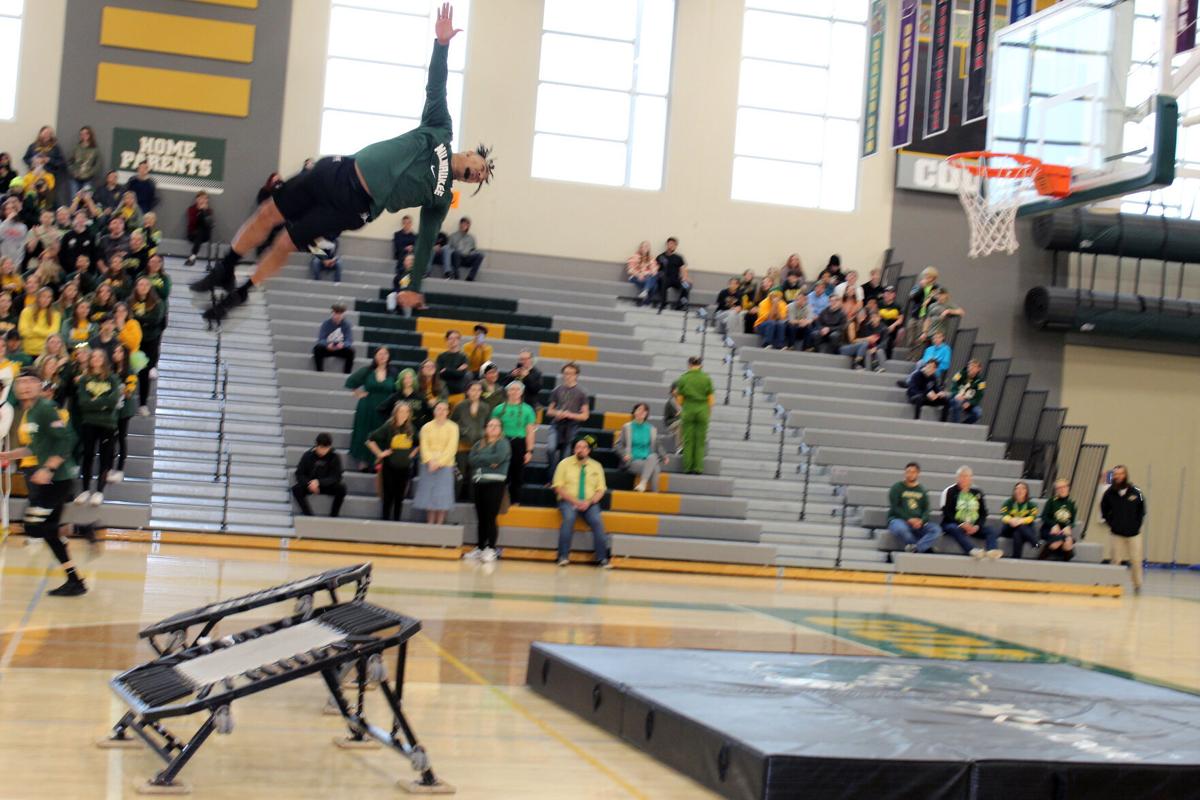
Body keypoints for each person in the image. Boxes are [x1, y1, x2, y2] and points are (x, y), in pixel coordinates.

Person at [191, 4, 493, 321]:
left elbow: (426, 241)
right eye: (482, 168)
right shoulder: (441, 129)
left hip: (354, 205)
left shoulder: (442, 197)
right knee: (268, 211)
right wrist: (441, 46)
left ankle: (242, 293)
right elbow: (437, 87)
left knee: (284, 242)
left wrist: (415, 285)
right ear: (471, 152)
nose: (477, 176)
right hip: (338, 170)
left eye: (479, 180)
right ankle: (225, 268)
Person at [0, 371, 87, 596]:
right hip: (52, 479)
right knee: (49, 533)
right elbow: (35, 448)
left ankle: (83, 529)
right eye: (21, 382)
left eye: (31, 382)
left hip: (57, 480)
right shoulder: (30, 412)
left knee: (32, 527)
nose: (25, 386)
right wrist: (9, 455)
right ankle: (75, 581)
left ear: (40, 386)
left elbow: (67, 440)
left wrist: (48, 468)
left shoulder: (45, 409)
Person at [552, 436, 610, 568]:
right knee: (569, 518)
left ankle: (602, 559)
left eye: (584, 447)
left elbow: (601, 490)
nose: (581, 450)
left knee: (597, 521)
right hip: (568, 501)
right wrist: (576, 501)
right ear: (574, 450)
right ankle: (563, 556)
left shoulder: (596, 466)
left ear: (588, 451)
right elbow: (558, 487)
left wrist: (588, 502)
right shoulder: (564, 464)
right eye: (578, 447)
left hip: (590, 503)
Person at [73, 348, 120, 506]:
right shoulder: (84, 379)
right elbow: (83, 403)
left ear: (105, 359)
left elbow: (113, 401)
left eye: (100, 356)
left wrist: (96, 403)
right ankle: (85, 490)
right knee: (87, 455)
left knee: (105, 458)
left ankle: (99, 491)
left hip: (107, 424)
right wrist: (102, 405)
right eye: (94, 356)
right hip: (89, 423)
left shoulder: (112, 379)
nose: (96, 359)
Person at [467, 417, 511, 562]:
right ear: (486, 428)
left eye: (496, 425)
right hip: (479, 482)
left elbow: (498, 458)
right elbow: (471, 460)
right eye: (490, 425)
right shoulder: (479, 444)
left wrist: (482, 458)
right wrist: (488, 460)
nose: (492, 428)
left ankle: (491, 549)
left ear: (500, 429)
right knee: (481, 518)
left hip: (495, 484)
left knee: (490, 517)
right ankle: (480, 548)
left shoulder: (503, 444)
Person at [1099, 465, 1147, 593]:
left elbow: (1142, 510)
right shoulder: (1108, 493)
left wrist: (1137, 524)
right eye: (1116, 474)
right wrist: (1112, 524)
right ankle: (1115, 584)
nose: (1118, 476)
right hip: (1117, 534)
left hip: (1134, 534)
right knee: (1116, 559)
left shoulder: (1137, 491)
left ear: (1125, 475)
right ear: (1113, 476)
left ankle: (1137, 585)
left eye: (1121, 474)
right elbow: (1104, 510)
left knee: (1136, 560)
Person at [345, 346, 395, 470]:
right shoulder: (367, 370)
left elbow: (399, 389)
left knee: (381, 434)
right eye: (380, 354)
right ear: (375, 356)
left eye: (385, 354)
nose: (382, 356)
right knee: (365, 433)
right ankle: (364, 462)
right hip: (367, 407)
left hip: (386, 409)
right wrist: (358, 393)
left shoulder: (394, 372)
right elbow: (351, 381)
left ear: (389, 357)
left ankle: (378, 462)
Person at [367, 402, 416, 522]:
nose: (403, 414)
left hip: (404, 468)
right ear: (396, 412)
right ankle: (385, 522)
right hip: (389, 466)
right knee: (388, 496)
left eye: (406, 412)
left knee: (400, 497)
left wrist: (412, 455)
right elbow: (370, 440)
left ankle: (396, 523)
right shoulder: (389, 426)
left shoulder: (411, 428)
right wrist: (380, 453)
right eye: (401, 411)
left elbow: (419, 443)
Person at [413, 400, 459, 525]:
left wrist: (439, 462)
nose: (441, 411)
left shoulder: (453, 427)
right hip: (428, 465)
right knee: (429, 495)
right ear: (434, 411)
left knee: (442, 496)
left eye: (444, 409)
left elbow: (451, 448)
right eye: (439, 408)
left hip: (446, 465)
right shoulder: (426, 427)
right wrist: (430, 461)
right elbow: (424, 446)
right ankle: (430, 523)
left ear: (448, 412)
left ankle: (439, 524)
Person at [939, 466, 1001, 558]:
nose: (965, 479)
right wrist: (962, 524)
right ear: (957, 478)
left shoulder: (977, 493)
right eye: (962, 476)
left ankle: (992, 551)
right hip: (954, 524)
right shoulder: (950, 491)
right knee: (954, 528)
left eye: (967, 476)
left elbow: (983, 513)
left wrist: (977, 526)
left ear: (971, 478)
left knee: (991, 530)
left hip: (973, 525)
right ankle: (972, 550)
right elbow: (947, 512)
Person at [491, 380, 535, 506]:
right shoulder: (498, 409)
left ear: (521, 392)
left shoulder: (528, 410)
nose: (514, 392)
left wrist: (529, 451)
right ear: (507, 391)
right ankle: (499, 500)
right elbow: (492, 429)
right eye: (512, 389)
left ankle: (515, 501)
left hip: (519, 443)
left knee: (517, 474)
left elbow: (530, 431)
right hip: (501, 442)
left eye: (517, 390)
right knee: (501, 472)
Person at [886, 462, 942, 553]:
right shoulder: (897, 488)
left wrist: (921, 521)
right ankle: (924, 549)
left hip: (918, 523)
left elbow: (926, 510)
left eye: (913, 472)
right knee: (902, 529)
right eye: (908, 471)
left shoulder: (922, 491)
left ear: (918, 473)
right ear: (905, 473)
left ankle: (916, 548)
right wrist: (909, 519)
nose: (910, 474)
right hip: (899, 520)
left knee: (936, 529)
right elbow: (895, 508)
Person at [614, 403, 667, 493]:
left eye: (644, 410)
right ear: (634, 412)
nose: (642, 412)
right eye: (639, 409)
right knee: (655, 468)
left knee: (653, 456)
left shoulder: (651, 429)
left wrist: (664, 456)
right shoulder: (627, 427)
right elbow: (618, 445)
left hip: (647, 459)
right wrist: (624, 455)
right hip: (633, 460)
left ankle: (643, 483)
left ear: (646, 414)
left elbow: (657, 444)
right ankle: (655, 495)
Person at [291, 432, 347, 517]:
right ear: (316, 445)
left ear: (330, 446)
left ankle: (333, 516)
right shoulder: (308, 455)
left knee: (341, 488)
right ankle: (309, 515)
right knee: (296, 489)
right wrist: (310, 483)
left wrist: (319, 482)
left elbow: (336, 477)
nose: (323, 451)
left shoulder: (334, 456)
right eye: (321, 447)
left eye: (326, 448)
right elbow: (299, 474)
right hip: (309, 485)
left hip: (326, 485)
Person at [674, 356, 713, 475]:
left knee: (688, 440)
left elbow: (680, 400)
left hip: (688, 410)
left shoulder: (683, 378)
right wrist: (708, 412)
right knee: (700, 440)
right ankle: (698, 468)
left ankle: (687, 467)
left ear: (689, 365)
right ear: (701, 365)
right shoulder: (706, 378)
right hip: (702, 411)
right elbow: (711, 400)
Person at [129, 277, 164, 413]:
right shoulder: (130, 301)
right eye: (140, 284)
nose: (143, 286)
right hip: (133, 341)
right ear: (136, 286)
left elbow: (155, 320)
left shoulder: (157, 303)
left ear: (150, 287)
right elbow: (128, 317)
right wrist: (143, 321)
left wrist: (138, 319)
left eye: (146, 284)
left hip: (149, 340)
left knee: (144, 372)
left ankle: (143, 404)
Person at [451, 380, 491, 498]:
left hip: (478, 447)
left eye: (478, 390)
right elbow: (452, 424)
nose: (475, 392)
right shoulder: (460, 406)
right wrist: (463, 431)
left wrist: (483, 434)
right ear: (468, 391)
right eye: (473, 389)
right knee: (459, 475)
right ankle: (453, 499)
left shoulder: (485, 407)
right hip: (462, 446)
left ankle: (472, 500)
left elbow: (489, 425)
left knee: (475, 474)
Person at [545, 362, 589, 467]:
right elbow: (549, 411)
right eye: (565, 373)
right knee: (550, 449)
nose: (567, 376)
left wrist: (570, 415)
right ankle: (551, 477)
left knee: (565, 456)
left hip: (572, 426)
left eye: (570, 373)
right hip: (556, 425)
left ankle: (559, 478)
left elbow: (585, 415)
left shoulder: (582, 393)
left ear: (576, 375)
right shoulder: (557, 390)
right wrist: (558, 413)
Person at [108, 344, 137, 482]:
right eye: (115, 351)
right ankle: (108, 468)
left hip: (124, 409)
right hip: (112, 409)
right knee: (110, 439)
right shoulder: (110, 370)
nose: (115, 353)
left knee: (121, 438)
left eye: (119, 351)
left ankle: (120, 469)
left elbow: (130, 392)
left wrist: (124, 390)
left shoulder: (129, 371)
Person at [1039, 478, 1078, 561]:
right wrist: (1053, 524)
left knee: (1068, 542)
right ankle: (1040, 560)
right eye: (1059, 488)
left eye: (1064, 487)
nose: (1062, 489)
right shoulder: (1051, 501)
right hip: (1049, 529)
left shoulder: (1071, 504)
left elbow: (1072, 521)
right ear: (1056, 490)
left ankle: (1064, 567)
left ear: (1068, 487)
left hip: (1063, 531)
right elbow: (1043, 517)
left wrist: (1068, 526)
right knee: (1059, 541)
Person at [1000, 481, 1040, 559]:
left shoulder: (1032, 505)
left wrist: (1020, 521)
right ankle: (1035, 543)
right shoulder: (1008, 502)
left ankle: (1016, 557)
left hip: (1025, 529)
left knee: (1017, 533)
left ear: (1026, 491)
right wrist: (1011, 520)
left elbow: (1032, 517)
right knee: (1018, 528)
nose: (1020, 491)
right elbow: (1004, 516)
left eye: (1023, 489)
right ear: (1014, 491)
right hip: (1009, 528)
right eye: (1017, 489)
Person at [19, 286, 62, 357]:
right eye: (43, 296)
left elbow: (53, 334)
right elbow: (23, 332)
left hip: (47, 353)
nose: (46, 300)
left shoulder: (56, 315)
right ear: (38, 297)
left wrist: (34, 329)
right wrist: (44, 333)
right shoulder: (26, 311)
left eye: (49, 297)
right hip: (28, 351)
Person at [312, 302, 354, 373]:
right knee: (317, 349)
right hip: (328, 348)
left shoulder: (347, 325)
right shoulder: (326, 324)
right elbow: (321, 339)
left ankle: (347, 373)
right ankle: (319, 371)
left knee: (351, 351)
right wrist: (327, 345)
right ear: (332, 313)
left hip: (340, 349)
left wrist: (343, 345)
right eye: (335, 314)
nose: (337, 316)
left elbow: (349, 339)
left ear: (343, 314)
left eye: (340, 314)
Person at [655, 237, 690, 312]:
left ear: (676, 246)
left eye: (674, 244)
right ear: (667, 245)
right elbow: (655, 268)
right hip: (664, 279)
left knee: (687, 286)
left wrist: (685, 277)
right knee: (662, 280)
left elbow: (683, 269)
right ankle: (663, 303)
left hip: (675, 279)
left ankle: (680, 305)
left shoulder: (679, 258)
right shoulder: (660, 256)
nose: (671, 246)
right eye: (670, 244)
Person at [444, 216, 484, 280]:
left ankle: (470, 277)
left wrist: (472, 253)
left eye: (467, 224)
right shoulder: (453, 236)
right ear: (460, 224)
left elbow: (473, 250)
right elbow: (448, 249)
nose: (465, 225)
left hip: (467, 258)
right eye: (463, 223)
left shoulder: (471, 238)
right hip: (456, 258)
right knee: (456, 253)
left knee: (480, 255)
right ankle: (456, 274)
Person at [948, 359, 986, 424]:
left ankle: (963, 426)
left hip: (969, 402)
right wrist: (957, 395)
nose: (971, 368)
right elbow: (953, 387)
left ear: (978, 369)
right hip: (957, 398)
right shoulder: (960, 374)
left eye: (974, 366)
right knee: (957, 402)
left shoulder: (981, 382)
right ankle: (955, 425)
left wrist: (970, 403)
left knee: (978, 412)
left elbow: (979, 396)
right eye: (970, 366)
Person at [68, 127, 100, 198]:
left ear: (90, 135)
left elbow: (97, 165)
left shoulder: (95, 150)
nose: (84, 135)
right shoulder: (76, 147)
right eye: (82, 134)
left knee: (86, 199)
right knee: (74, 199)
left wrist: (90, 173)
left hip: (88, 179)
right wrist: (73, 172)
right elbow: (69, 162)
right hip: (75, 178)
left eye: (86, 133)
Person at [435, 329, 470, 395]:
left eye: (456, 338)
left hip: (458, 387)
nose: (453, 340)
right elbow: (439, 374)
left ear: (459, 341)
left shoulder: (464, 357)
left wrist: (446, 370)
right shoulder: (441, 356)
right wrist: (456, 370)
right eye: (450, 338)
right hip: (443, 387)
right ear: (446, 340)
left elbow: (461, 375)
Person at [185, 191, 214, 266]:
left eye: (205, 198)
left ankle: (193, 256)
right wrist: (200, 211)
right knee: (200, 231)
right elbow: (192, 223)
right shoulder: (191, 209)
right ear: (197, 199)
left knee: (202, 229)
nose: (203, 200)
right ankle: (193, 256)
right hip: (192, 234)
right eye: (201, 198)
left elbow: (209, 225)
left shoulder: (209, 210)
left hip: (205, 235)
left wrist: (204, 211)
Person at [626, 241, 659, 305]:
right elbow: (630, 270)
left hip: (647, 278)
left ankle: (644, 294)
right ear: (640, 248)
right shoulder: (634, 257)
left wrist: (646, 274)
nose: (646, 248)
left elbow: (654, 270)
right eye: (645, 246)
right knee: (654, 285)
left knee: (654, 283)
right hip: (635, 278)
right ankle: (646, 298)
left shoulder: (651, 258)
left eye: (648, 247)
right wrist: (638, 275)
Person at [876, 285, 904, 360]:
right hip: (880, 329)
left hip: (891, 330)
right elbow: (875, 316)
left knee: (888, 343)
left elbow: (900, 319)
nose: (887, 295)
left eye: (890, 293)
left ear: (893, 295)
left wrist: (893, 325)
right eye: (886, 293)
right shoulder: (879, 304)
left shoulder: (897, 306)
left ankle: (886, 360)